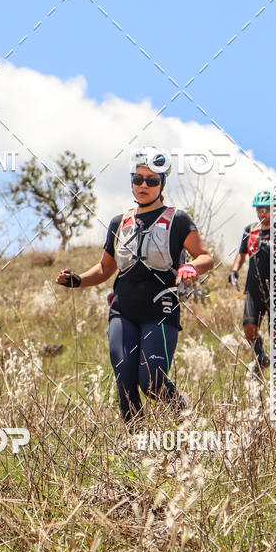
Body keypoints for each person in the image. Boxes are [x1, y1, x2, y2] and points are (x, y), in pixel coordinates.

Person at [55, 147, 213, 425]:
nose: (143, 185)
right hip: (122, 311)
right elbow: (105, 268)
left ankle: (186, 419)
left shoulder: (178, 219)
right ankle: (139, 447)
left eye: (152, 180)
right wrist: (77, 280)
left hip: (161, 311)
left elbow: (206, 257)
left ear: (162, 183)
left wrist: (190, 267)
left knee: (151, 380)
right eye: (138, 179)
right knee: (125, 382)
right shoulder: (119, 222)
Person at [228, 191, 272, 377]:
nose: (262, 213)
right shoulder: (250, 229)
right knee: (249, 328)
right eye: (259, 210)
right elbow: (242, 253)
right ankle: (262, 357)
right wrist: (234, 271)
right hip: (253, 287)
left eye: (266, 210)